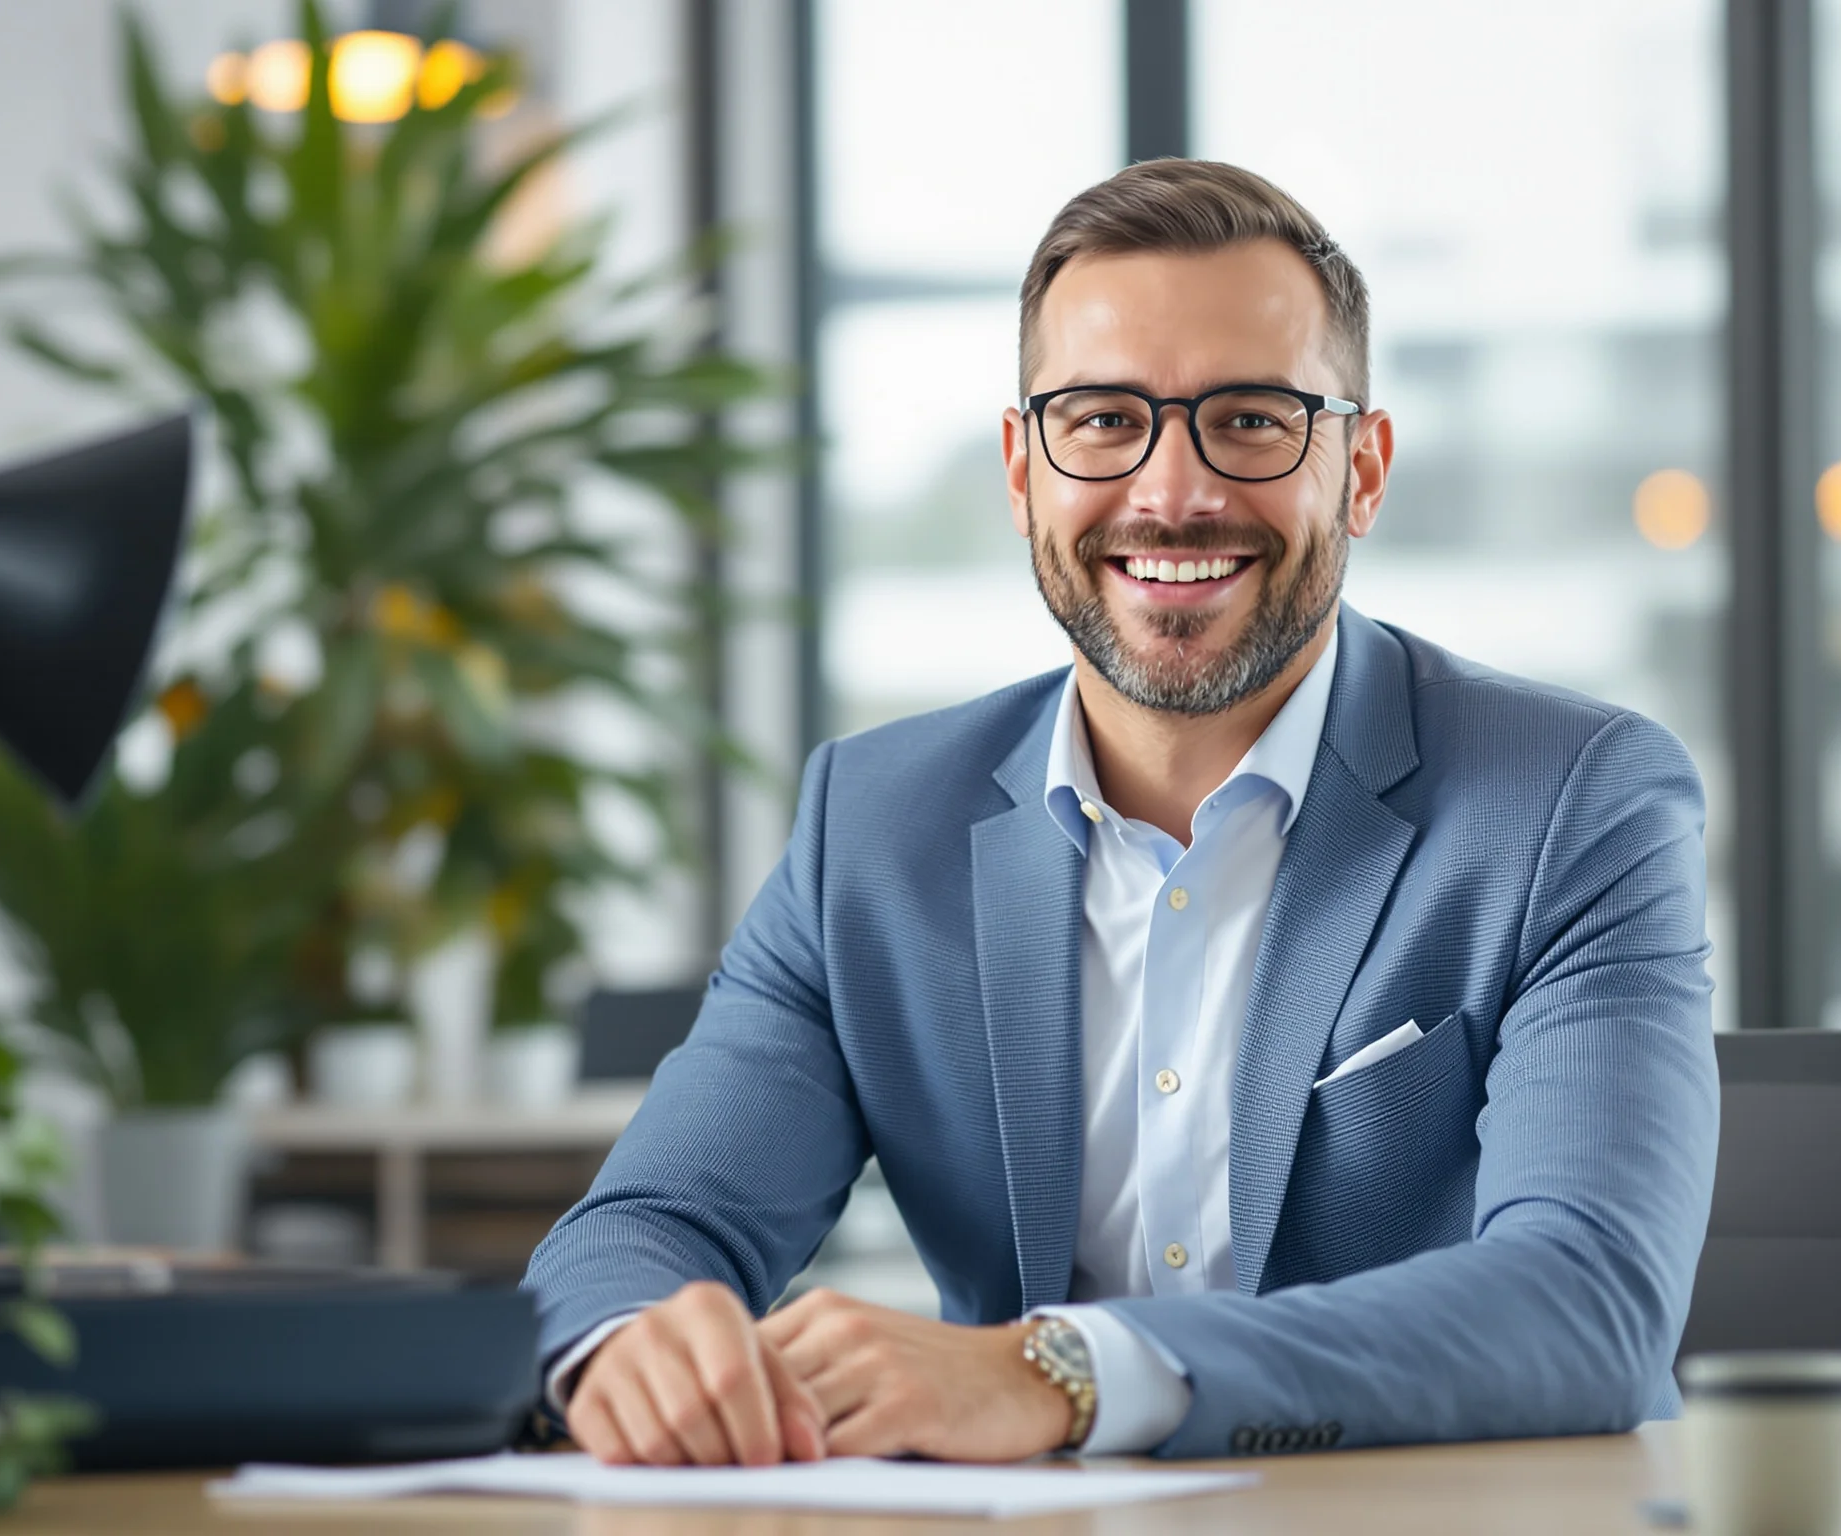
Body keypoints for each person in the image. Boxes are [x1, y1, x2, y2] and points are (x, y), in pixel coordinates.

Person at [523, 159, 1719, 1466]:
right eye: (1102, 420)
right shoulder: (870, 827)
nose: (1172, 492)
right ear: (1023, 468)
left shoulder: (1572, 802)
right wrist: (638, 1350)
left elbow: (1588, 1304)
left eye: (1252, 420)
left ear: (1363, 472)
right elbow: (648, 1226)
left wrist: (1065, 1374)